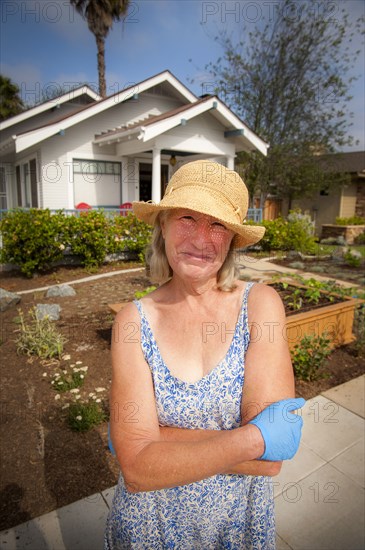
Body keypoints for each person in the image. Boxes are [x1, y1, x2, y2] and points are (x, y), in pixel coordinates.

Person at [105, 160, 305, 549]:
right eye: (186, 217)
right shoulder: (133, 321)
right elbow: (136, 471)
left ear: (232, 239)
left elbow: (272, 457)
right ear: (162, 225)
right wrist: (253, 437)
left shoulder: (259, 306)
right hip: (151, 525)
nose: (201, 238)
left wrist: (154, 440)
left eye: (217, 225)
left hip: (235, 524)